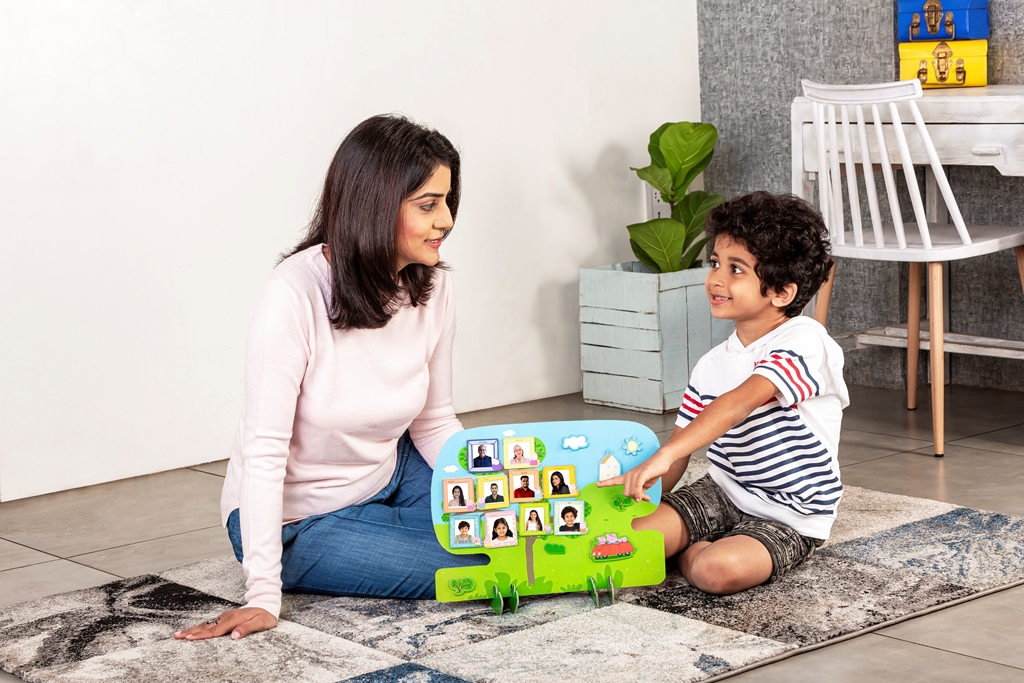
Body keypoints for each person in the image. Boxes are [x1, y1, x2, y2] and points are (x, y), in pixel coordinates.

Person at [174, 114, 485, 643]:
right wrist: (263, 593)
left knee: (513, 531)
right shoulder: (293, 294)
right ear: (375, 204)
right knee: (481, 561)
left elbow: (434, 422)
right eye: (428, 205)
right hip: (300, 520)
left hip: (389, 470)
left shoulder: (434, 288)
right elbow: (264, 450)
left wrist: (498, 489)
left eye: (447, 201)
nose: (447, 220)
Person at [598, 191, 847, 596]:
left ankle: (692, 554)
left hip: (791, 514)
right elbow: (680, 447)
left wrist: (664, 458)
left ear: (781, 292)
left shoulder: (806, 340)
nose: (716, 279)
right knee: (621, 539)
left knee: (715, 571)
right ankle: (685, 543)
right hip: (723, 490)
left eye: (736, 269)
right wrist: (640, 495)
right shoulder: (710, 365)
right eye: (715, 263)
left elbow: (740, 403)